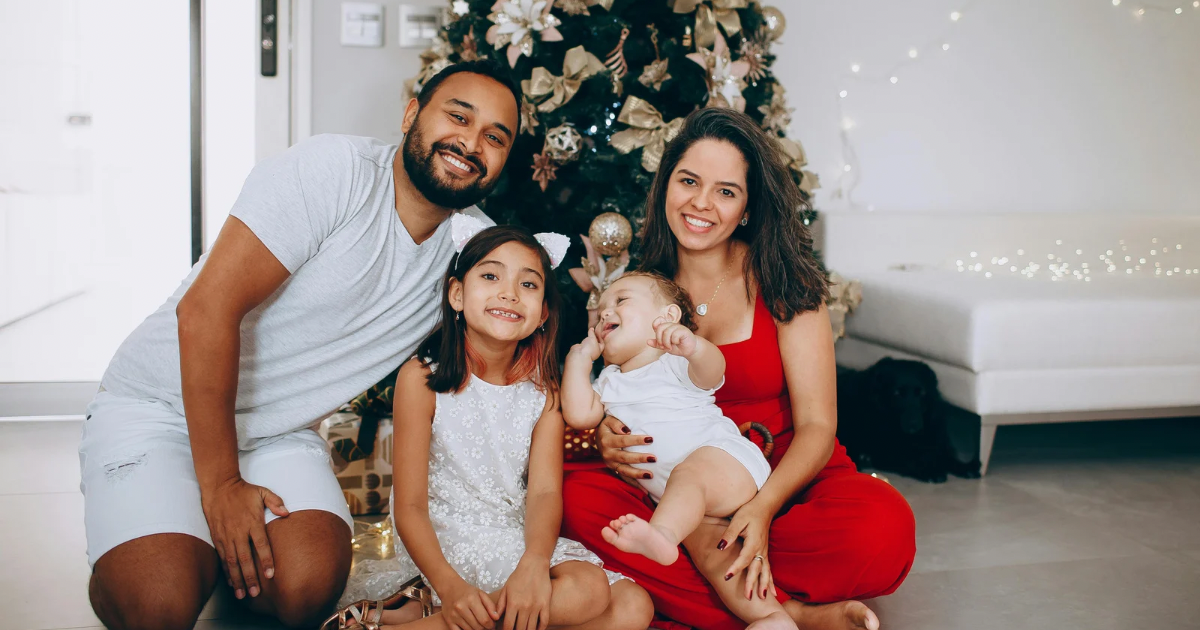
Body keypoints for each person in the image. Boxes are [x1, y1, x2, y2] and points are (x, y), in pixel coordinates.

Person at [78, 61, 521, 630]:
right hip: (157, 404)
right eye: (458, 117)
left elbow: (517, 348)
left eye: (495, 136)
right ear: (412, 114)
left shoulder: (474, 253)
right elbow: (207, 310)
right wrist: (221, 486)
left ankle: (202, 540)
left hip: (277, 429)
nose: (471, 143)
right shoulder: (333, 171)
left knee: (306, 587)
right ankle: (156, 529)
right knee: (155, 605)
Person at [560, 107, 917, 630]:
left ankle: (713, 597)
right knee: (577, 500)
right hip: (670, 487)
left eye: (726, 191)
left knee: (883, 529)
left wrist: (763, 509)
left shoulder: (787, 283)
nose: (701, 203)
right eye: (688, 181)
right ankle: (789, 612)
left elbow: (819, 427)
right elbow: (603, 390)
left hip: (786, 482)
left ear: (747, 208)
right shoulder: (637, 287)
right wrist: (604, 440)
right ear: (665, 188)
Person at [334, 222, 653, 630]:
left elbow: (543, 491)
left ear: (544, 313)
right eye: (490, 276)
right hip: (445, 538)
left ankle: (420, 618)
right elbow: (409, 507)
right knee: (586, 590)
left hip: (516, 533)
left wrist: (535, 563)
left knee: (633, 606)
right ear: (457, 294)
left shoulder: (545, 393)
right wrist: (451, 589)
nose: (509, 293)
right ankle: (435, 611)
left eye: (529, 284)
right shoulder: (422, 378)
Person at [562, 271, 790, 629]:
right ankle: (773, 619)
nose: (606, 313)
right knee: (719, 563)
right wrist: (579, 359)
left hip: (726, 464)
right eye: (601, 309)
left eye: (620, 301)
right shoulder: (608, 382)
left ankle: (663, 536)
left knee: (689, 476)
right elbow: (578, 414)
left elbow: (713, 372)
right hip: (689, 507)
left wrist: (693, 346)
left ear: (666, 318)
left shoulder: (673, 361)